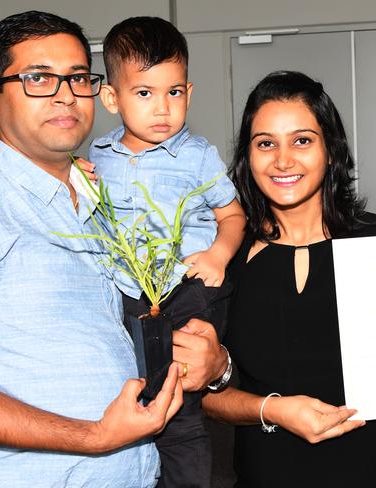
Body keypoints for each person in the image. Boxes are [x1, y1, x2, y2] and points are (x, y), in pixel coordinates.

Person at [0, 11, 228, 488]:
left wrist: (214, 364)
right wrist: (95, 437)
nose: (65, 93)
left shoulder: (105, 198)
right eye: (38, 78)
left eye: (78, 77)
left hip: (144, 473)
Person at [201, 71, 376, 487]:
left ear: (331, 151)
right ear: (248, 156)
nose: (283, 160)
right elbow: (209, 396)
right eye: (266, 143)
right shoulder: (226, 257)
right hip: (269, 470)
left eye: (302, 140)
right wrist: (274, 410)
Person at [81, 16, 246, 488]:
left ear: (189, 93)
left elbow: (233, 216)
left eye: (174, 93)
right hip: (130, 291)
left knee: (180, 404)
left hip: (187, 290)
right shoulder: (99, 153)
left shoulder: (197, 155)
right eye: (145, 93)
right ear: (112, 98)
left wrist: (218, 255)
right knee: (130, 392)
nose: (162, 108)